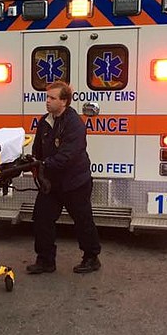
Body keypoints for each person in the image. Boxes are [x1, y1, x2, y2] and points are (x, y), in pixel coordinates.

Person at [27, 81, 101, 275]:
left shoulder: (74, 123)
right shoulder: (45, 121)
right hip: (52, 184)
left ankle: (91, 257)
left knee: (83, 220)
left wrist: (44, 164)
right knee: (41, 218)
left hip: (75, 182)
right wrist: (34, 162)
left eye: (52, 98)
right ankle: (45, 261)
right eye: (47, 97)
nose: (47, 101)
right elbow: (38, 148)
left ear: (64, 101)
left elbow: (68, 156)